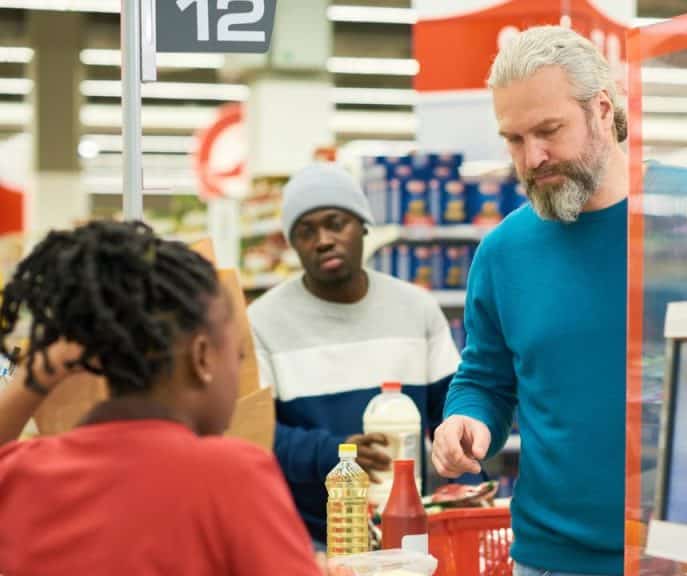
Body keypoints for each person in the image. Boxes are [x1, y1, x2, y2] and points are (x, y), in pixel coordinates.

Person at [432, 26, 687, 576]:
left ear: (602, 110)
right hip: (552, 560)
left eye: (549, 130)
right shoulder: (504, 252)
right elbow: (486, 376)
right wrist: (467, 419)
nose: (532, 158)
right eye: (514, 139)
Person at [0, 221, 329, 576]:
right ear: (202, 357)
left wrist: (40, 369)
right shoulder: (231, 475)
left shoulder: (22, 474)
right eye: (238, 355)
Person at [248, 163, 462, 546]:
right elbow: (258, 436)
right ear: (292, 244)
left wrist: (464, 505)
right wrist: (337, 453)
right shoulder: (262, 322)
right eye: (306, 231)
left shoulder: (416, 309)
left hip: (408, 532)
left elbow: (452, 419)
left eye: (336, 223)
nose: (324, 240)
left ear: (363, 226)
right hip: (310, 539)